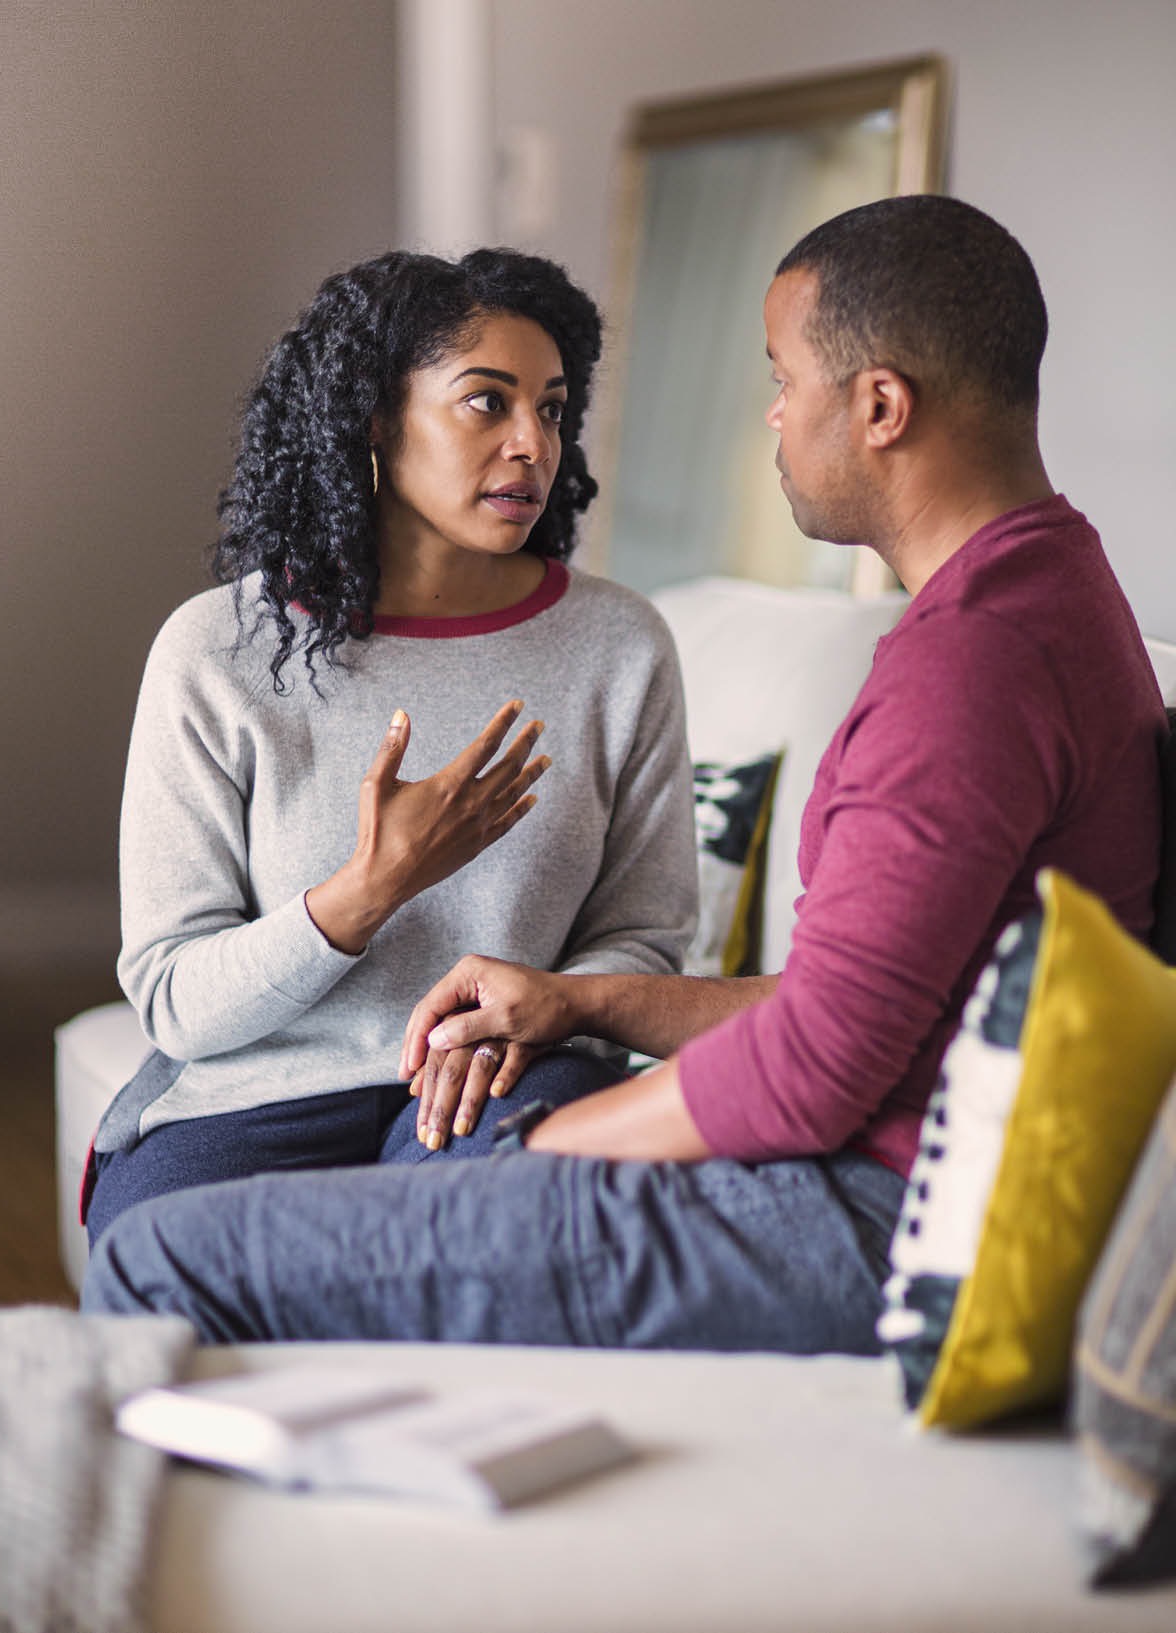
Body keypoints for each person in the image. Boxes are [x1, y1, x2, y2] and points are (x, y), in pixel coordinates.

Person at [83, 197, 1166, 1354]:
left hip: (879, 1209)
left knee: (175, 1262)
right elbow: (846, 1015)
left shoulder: (964, 666)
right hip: (889, 1161)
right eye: (487, 403)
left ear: (881, 407)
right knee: (169, 1222)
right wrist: (394, 909)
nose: (773, 413)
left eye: (785, 378)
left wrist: (526, 1158)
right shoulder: (1051, 594)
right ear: (371, 423)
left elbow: (813, 1065)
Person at [81, 248, 697, 1247]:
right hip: (254, 1091)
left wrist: (521, 1013)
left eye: (551, 407)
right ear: (376, 418)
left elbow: (644, 937)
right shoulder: (215, 653)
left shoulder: (618, 647)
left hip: (505, 1071)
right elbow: (172, 1000)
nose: (532, 443)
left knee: (476, 1240)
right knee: (162, 1255)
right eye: (487, 403)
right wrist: (368, 888)